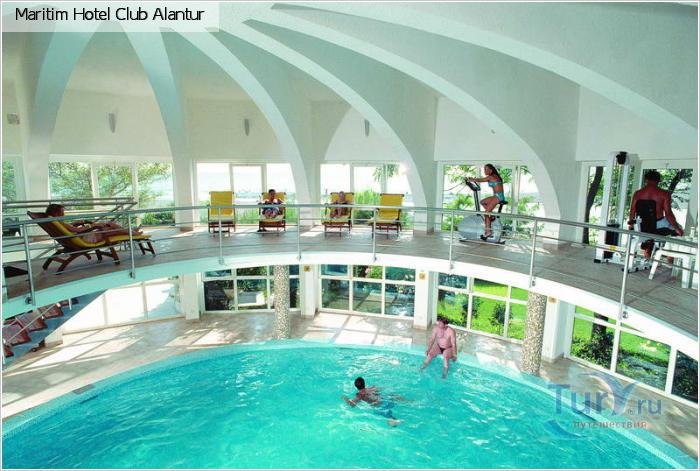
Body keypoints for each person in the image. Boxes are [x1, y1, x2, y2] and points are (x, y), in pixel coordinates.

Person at [627, 170, 684, 258]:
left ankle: (649, 246)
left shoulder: (637, 193)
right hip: (658, 225)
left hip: (642, 225)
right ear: (658, 181)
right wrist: (677, 228)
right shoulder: (664, 194)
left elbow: (632, 210)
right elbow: (668, 214)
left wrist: (631, 224)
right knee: (679, 229)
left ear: (646, 180)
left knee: (652, 232)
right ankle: (669, 259)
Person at [45, 204, 141, 243]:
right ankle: (133, 232)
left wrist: (74, 223)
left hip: (85, 236)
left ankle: (132, 231)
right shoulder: (61, 223)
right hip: (87, 238)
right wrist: (93, 225)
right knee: (112, 228)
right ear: (56, 213)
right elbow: (78, 230)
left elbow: (71, 229)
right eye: (62, 212)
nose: (64, 214)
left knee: (110, 226)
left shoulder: (57, 222)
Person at [466, 164, 506, 240]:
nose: (485, 171)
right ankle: (492, 215)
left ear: (491, 170)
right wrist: (473, 180)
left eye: (486, 169)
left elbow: (480, 180)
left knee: (486, 213)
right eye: (484, 169)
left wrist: (471, 180)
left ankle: (488, 232)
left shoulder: (491, 176)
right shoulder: (494, 176)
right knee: (482, 202)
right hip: (497, 195)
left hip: (498, 196)